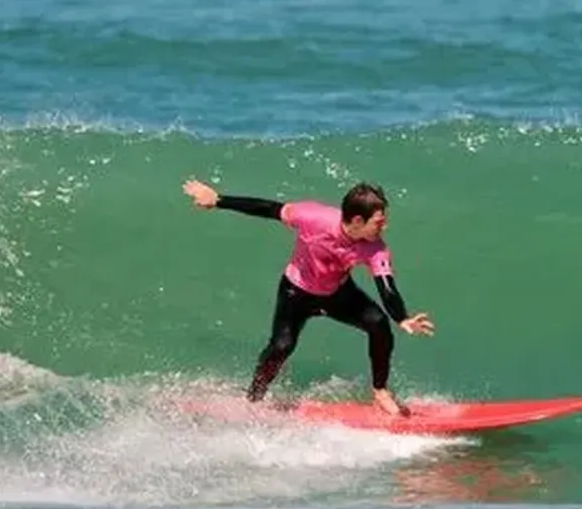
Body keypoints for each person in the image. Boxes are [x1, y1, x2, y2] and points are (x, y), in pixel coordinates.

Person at [182, 178, 435, 416]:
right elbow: (269, 208)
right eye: (379, 222)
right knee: (281, 347)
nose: (384, 227)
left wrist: (402, 318)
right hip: (296, 292)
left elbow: (386, 286)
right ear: (358, 220)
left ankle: (380, 391)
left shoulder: (375, 247)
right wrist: (218, 200)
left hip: (338, 294)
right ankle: (254, 398)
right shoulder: (313, 217)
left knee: (378, 323)